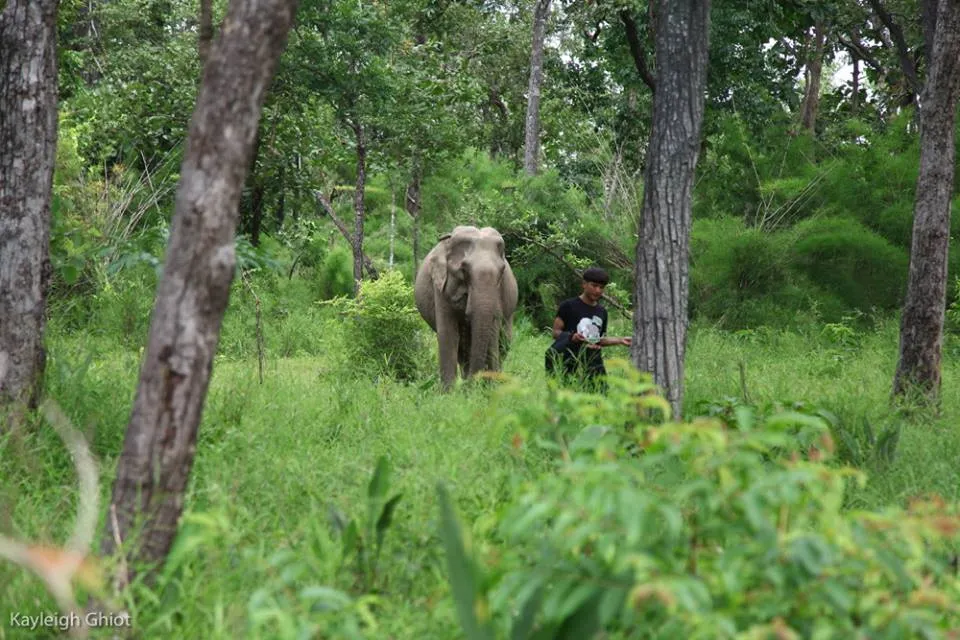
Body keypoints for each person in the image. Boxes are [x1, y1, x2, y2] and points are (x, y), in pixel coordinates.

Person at [545, 266, 631, 391]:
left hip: (592, 362)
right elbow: (556, 332)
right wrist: (572, 337)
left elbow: (597, 339)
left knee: (599, 398)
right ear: (584, 284)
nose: (597, 290)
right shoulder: (568, 306)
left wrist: (621, 340)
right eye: (594, 285)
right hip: (567, 360)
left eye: (601, 287)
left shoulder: (602, 312)